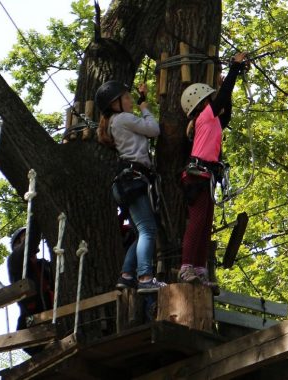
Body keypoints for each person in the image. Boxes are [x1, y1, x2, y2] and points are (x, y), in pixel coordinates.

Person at [179, 52, 250, 292]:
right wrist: (234, 68)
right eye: (211, 98)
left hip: (206, 176)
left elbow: (225, 111)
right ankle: (186, 266)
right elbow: (221, 102)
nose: (214, 102)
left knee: (205, 224)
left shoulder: (213, 121)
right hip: (197, 176)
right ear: (202, 103)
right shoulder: (204, 117)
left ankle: (199, 268)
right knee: (197, 223)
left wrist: (226, 82)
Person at [95, 80, 166, 294]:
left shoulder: (115, 121)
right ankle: (145, 277)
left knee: (140, 232)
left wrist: (142, 98)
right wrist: (145, 108)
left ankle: (127, 275)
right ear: (115, 103)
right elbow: (154, 130)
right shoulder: (123, 118)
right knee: (148, 230)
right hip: (133, 180)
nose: (130, 101)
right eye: (126, 98)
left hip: (127, 182)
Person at [7, 220, 54, 356]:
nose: (28, 236)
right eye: (24, 236)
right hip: (32, 327)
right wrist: (36, 212)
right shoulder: (15, 260)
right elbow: (32, 240)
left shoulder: (44, 264)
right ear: (17, 244)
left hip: (56, 318)